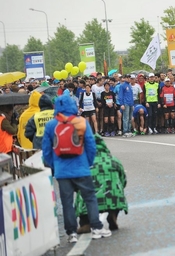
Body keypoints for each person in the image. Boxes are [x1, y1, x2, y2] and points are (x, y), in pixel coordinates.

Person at [42, 92, 111, 243]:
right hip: (81, 167)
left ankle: (71, 233)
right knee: (90, 198)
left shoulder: (51, 125)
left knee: (66, 202)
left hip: (61, 170)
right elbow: (91, 145)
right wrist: (88, 162)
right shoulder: (81, 122)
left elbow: (46, 151)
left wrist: (54, 165)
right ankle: (96, 228)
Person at [75, 134, 128, 234]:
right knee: (116, 191)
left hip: (89, 197)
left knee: (82, 193)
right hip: (111, 197)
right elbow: (123, 180)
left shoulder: (83, 162)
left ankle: (85, 223)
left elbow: (75, 182)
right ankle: (113, 213)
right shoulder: (113, 160)